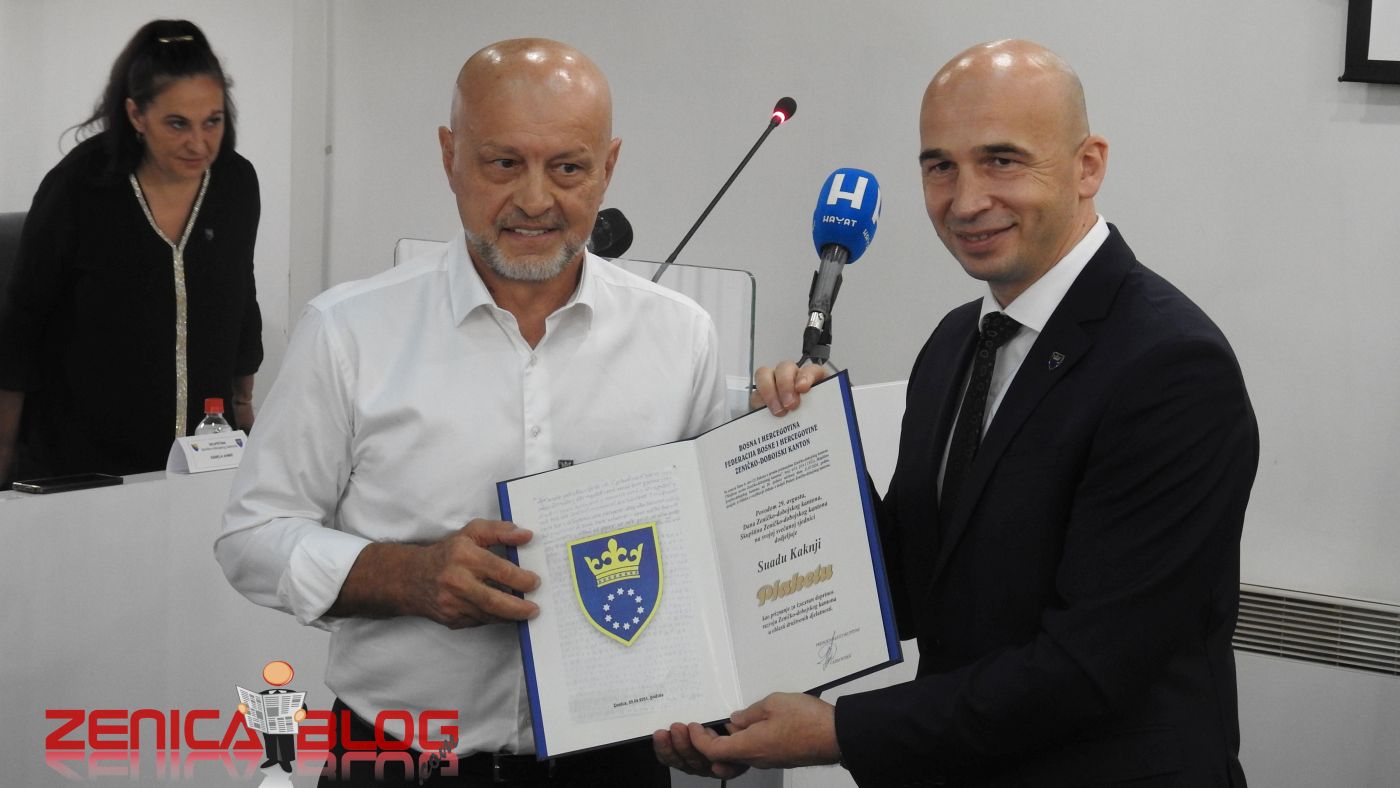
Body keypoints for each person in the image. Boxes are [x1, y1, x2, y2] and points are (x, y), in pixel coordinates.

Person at [655, 39, 1259, 787]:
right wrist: (810, 453)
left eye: (1001, 160)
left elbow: (1090, 667)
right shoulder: (955, 342)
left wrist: (840, 731)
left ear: (1088, 166)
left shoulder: (1171, 366)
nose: (965, 201)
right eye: (940, 166)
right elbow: (917, 585)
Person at [215, 38, 727, 787]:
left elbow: (712, 556)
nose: (535, 200)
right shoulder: (348, 332)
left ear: (608, 168)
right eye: (503, 163)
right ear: (450, 157)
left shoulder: (682, 338)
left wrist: (791, 427)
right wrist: (405, 576)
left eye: (568, 168)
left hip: (614, 762)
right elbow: (252, 538)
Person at [0, 19, 263, 486]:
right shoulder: (80, 186)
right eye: (177, 124)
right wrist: (4, 453)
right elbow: (21, 326)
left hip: (202, 456)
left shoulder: (235, 183)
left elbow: (240, 296)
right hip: (85, 466)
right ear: (136, 115)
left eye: (213, 121)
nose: (199, 143)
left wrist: (244, 409)